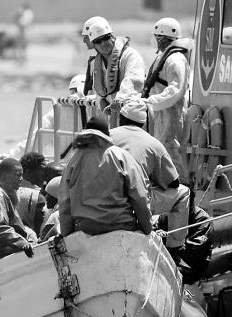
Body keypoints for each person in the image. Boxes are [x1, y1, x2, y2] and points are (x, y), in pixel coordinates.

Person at [110, 98, 189, 258]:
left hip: (104, 197)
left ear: (121, 119)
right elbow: (173, 182)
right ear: (143, 124)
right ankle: (175, 250)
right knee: (183, 193)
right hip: (135, 202)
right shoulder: (154, 144)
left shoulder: (107, 136)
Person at [59, 117, 151, 236]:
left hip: (86, 229)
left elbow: (65, 201)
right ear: (106, 136)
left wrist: (66, 234)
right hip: (122, 226)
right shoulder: (120, 155)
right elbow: (139, 195)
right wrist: (147, 229)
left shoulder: (73, 160)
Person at [141, 17, 193, 180]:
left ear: (162, 38)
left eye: (158, 37)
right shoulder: (165, 57)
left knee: (171, 149)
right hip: (163, 112)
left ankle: (182, 186)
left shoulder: (175, 59)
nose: (156, 40)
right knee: (163, 149)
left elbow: (175, 90)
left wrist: (151, 101)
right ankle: (169, 184)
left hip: (173, 112)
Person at [88, 20, 145, 128]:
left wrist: (119, 100)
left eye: (106, 38)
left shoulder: (130, 55)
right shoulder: (96, 63)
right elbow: (98, 90)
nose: (103, 43)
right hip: (111, 117)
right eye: (98, 41)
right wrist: (101, 101)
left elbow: (134, 81)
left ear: (112, 37)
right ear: (94, 45)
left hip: (131, 117)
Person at [17, 152, 47, 234]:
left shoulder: (9, 189)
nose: (45, 174)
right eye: (42, 169)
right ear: (28, 171)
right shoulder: (37, 195)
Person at [81, 16, 109, 98]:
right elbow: (89, 91)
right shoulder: (93, 60)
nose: (84, 40)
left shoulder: (121, 58)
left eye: (87, 37)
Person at [40, 176, 61, 241]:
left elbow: (43, 241)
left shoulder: (55, 216)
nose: (46, 197)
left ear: (56, 196)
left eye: (49, 195)